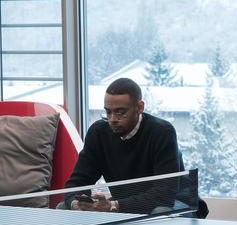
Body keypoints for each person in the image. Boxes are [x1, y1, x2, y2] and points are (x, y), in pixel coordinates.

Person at [63, 77, 187, 214]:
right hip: (125, 201)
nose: (112, 119)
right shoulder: (98, 133)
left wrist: (114, 205)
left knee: (160, 212)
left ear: (139, 107)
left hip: (174, 202)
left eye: (120, 113)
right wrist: (76, 203)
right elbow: (76, 183)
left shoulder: (162, 132)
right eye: (108, 112)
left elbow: (164, 194)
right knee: (64, 207)